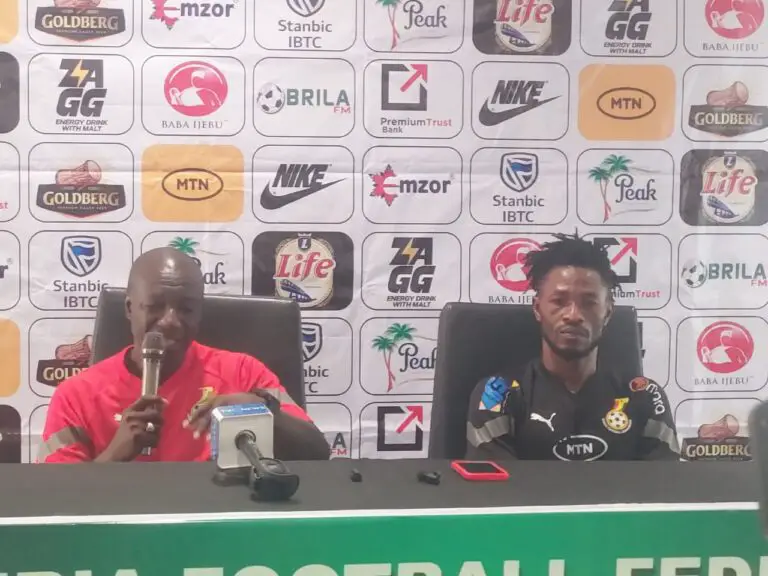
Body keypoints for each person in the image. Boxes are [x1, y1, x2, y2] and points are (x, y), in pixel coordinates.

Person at [39, 248, 330, 463]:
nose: (170, 321)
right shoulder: (75, 396)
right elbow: (56, 499)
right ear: (129, 308)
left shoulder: (244, 373)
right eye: (155, 306)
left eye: (186, 309)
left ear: (200, 313)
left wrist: (262, 409)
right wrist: (116, 453)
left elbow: (317, 453)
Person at [465, 233, 679, 461]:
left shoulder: (645, 396)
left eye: (589, 303)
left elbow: (664, 482)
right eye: (559, 301)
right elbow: (493, 483)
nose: (574, 315)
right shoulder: (497, 394)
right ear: (537, 308)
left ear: (608, 312)